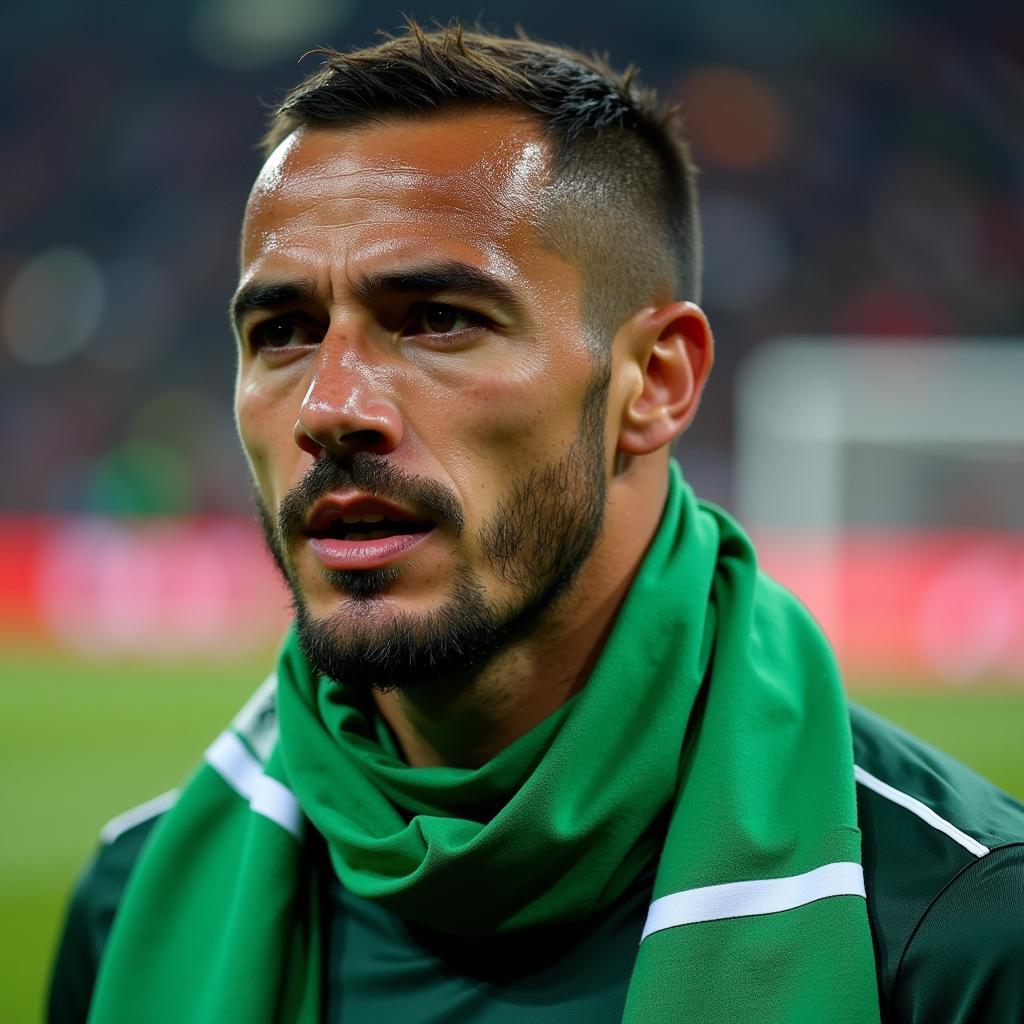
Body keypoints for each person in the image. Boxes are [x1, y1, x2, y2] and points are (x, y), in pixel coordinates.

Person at [48, 23, 1024, 1024]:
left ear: (654, 381)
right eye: (285, 332)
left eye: (437, 317)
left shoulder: (965, 932)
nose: (328, 407)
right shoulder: (129, 905)